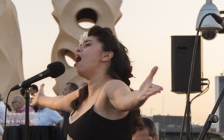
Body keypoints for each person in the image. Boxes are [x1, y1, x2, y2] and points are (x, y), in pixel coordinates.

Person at [31, 25, 163, 140]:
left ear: (106, 55)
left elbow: (124, 99)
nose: (77, 50)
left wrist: (138, 96)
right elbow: (58, 101)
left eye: (87, 45)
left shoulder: (112, 86)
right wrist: (40, 99)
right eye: (79, 46)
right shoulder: (82, 95)